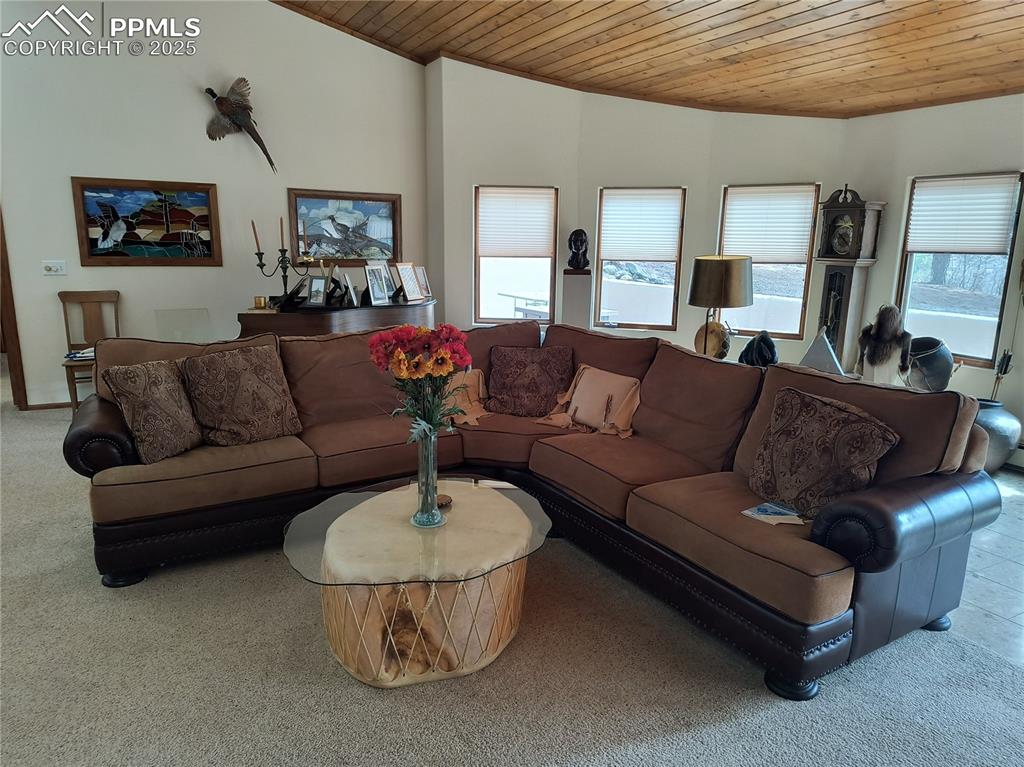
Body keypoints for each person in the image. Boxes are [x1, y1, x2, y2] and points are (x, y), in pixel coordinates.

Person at [855, 304, 911, 385]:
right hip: (888, 388)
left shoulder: (867, 335)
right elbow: (904, 370)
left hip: (867, 385)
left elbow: (860, 367)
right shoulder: (903, 340)